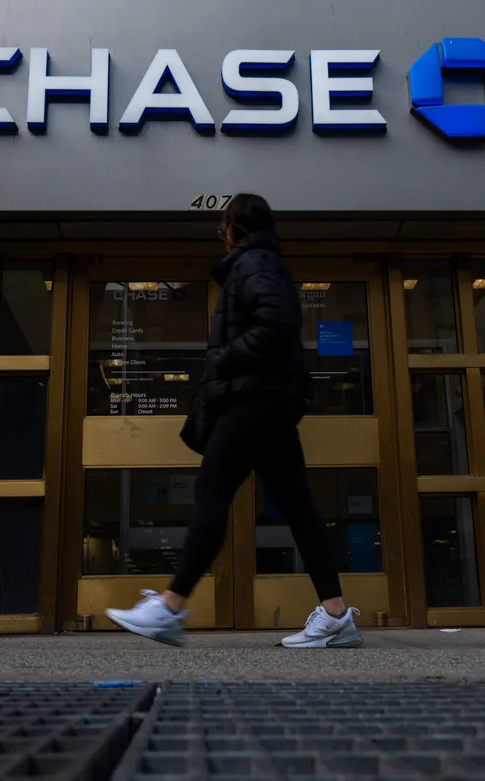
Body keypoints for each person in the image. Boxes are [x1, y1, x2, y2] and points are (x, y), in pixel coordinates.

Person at [106, 194, 361, 649]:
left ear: (234, 229)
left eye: (221, 228)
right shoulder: (260, 264)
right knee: (299, 508)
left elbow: (276, 325)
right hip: (268, 401)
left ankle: (169, 607)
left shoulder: (255, 264)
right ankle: (336, 614)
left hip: (253, 399)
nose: (220, 236)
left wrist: (224, 358)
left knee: (212, 492)